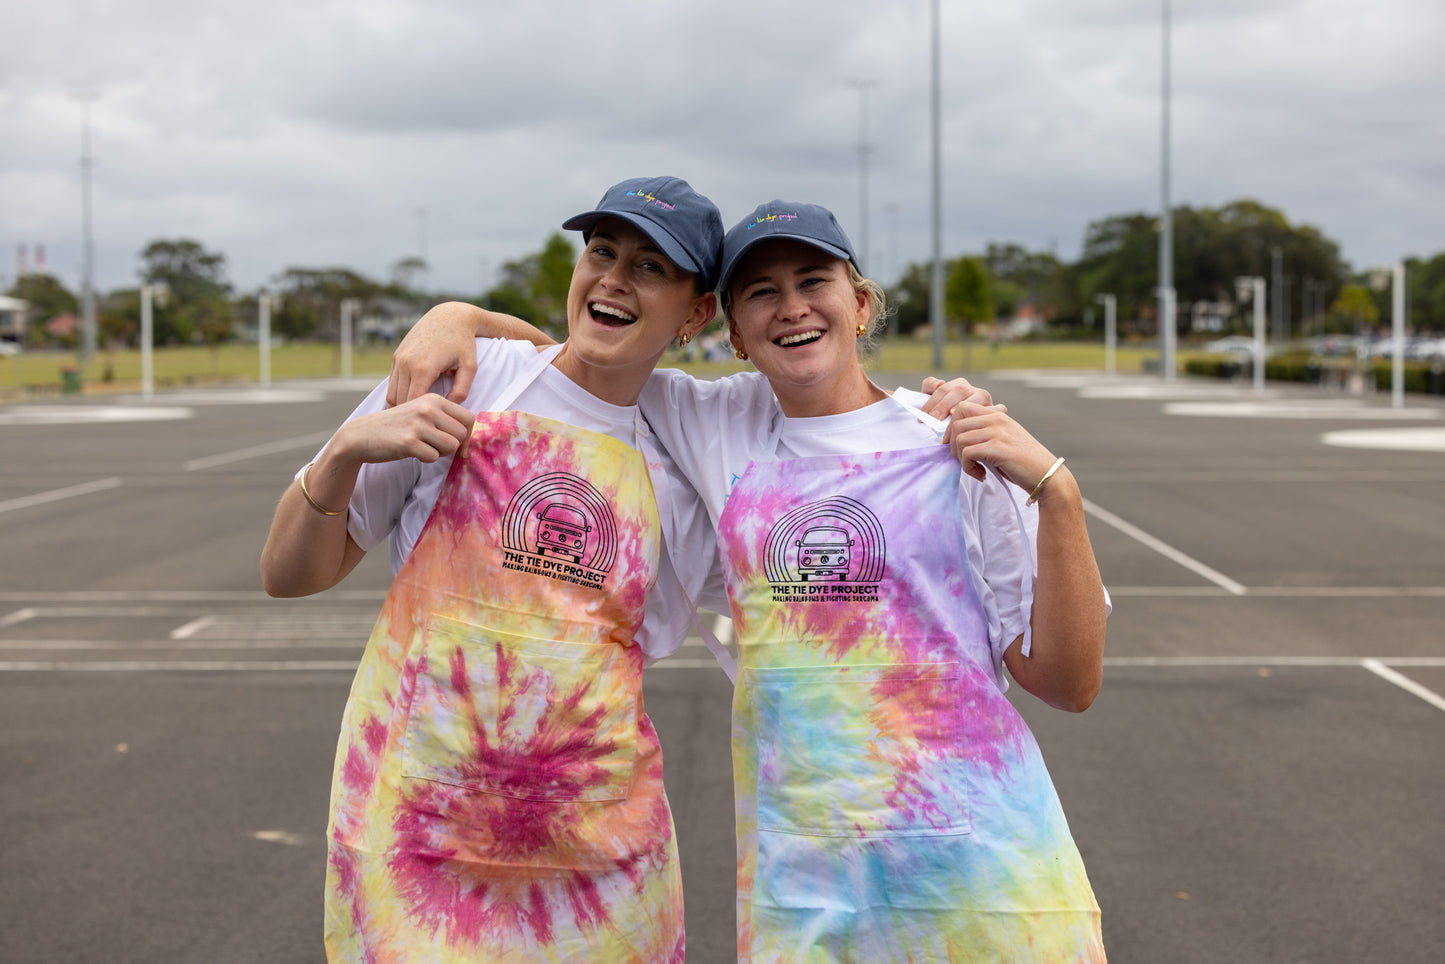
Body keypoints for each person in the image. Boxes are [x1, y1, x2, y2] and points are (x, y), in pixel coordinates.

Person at [391, 202, 1108, 962]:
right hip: (805, 887)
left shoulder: (953, 444)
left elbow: (1068, 683)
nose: (791, 306)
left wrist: (1056, 493)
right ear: (729, 329)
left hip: (983, 875)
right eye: (761, 291)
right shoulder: (708, 417)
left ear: (859, 304)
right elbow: (587, 346)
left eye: (812, 280)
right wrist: (455, 315)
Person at [260, 175, 730, 963]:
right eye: (602, 252)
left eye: (651, 267)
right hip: (418, 837)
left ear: (695, 313)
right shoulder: (467, 380)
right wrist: (343, 454)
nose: (613, 279)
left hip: (598, 858)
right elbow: (287, 573)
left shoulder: (689, 454)